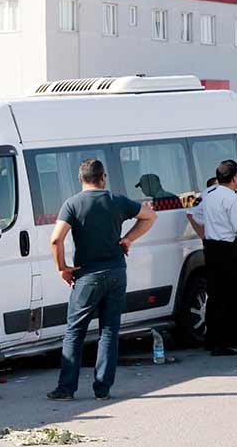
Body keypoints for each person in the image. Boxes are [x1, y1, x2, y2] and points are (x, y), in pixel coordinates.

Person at [47, 159, 156, 401]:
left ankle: (66, 389)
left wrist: (62, 268)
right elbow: (149, 216)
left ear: (80, 179)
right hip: (117, 272)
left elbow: (56, 240)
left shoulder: (72, 204)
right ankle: (102, 389)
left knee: (75, 332)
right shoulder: (117, 201)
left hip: (87, 275)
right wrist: (128, 239)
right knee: (109, 331)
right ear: (103, 177)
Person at [197, 160, 237, 356]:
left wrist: (203, 234)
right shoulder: (231, 198)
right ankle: (227, 342)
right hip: (228, 249)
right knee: (229, 296)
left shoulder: (208, 193)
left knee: (214, 295)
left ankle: (211, 340)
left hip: (211, 248)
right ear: (235, 178)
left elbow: (192, 213)